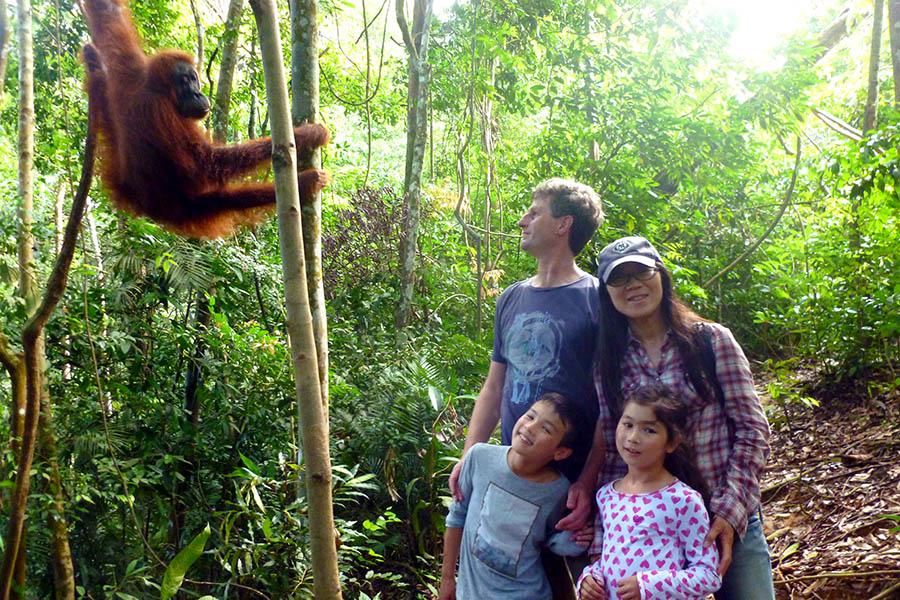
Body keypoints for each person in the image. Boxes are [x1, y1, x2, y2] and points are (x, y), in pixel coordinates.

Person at [588, 235, 774, 600]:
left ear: (661, 275)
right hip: (651, 527)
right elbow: (616, 451)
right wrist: (601, 543)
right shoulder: (608, 362)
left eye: (641, 272)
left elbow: (752, 430)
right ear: (607, 292)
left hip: (725, 514)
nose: (633, 286)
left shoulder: (711, 341)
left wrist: (729, 513)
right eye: (619, 279)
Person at [449, 178, 604, 523]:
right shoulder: (511, 297)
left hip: (570, 480)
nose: (522, 221)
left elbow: (611, 399)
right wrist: (469, 456)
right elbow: (494, 387)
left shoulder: (596, 297)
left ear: (564, 224)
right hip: (515, 469)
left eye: (535, 214)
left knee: (569, 571)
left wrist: (587, 480)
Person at [439, 393, 591, 599]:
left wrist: (575, 539)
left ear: (561, 452)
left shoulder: (559, 490)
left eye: (546, 428)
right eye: (530, 416)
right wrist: (447, 579)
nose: (530, 427)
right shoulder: (479, 457)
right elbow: (457, 516)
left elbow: (550, 539)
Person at [577, 385, 720, 600]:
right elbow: (606, 559)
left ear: (671, 443)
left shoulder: (684, 500)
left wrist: (648, 585)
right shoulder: (606, 495)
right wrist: (589, 579)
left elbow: (708, 575)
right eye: (628, 424)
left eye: (649, 430)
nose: (633, 437)